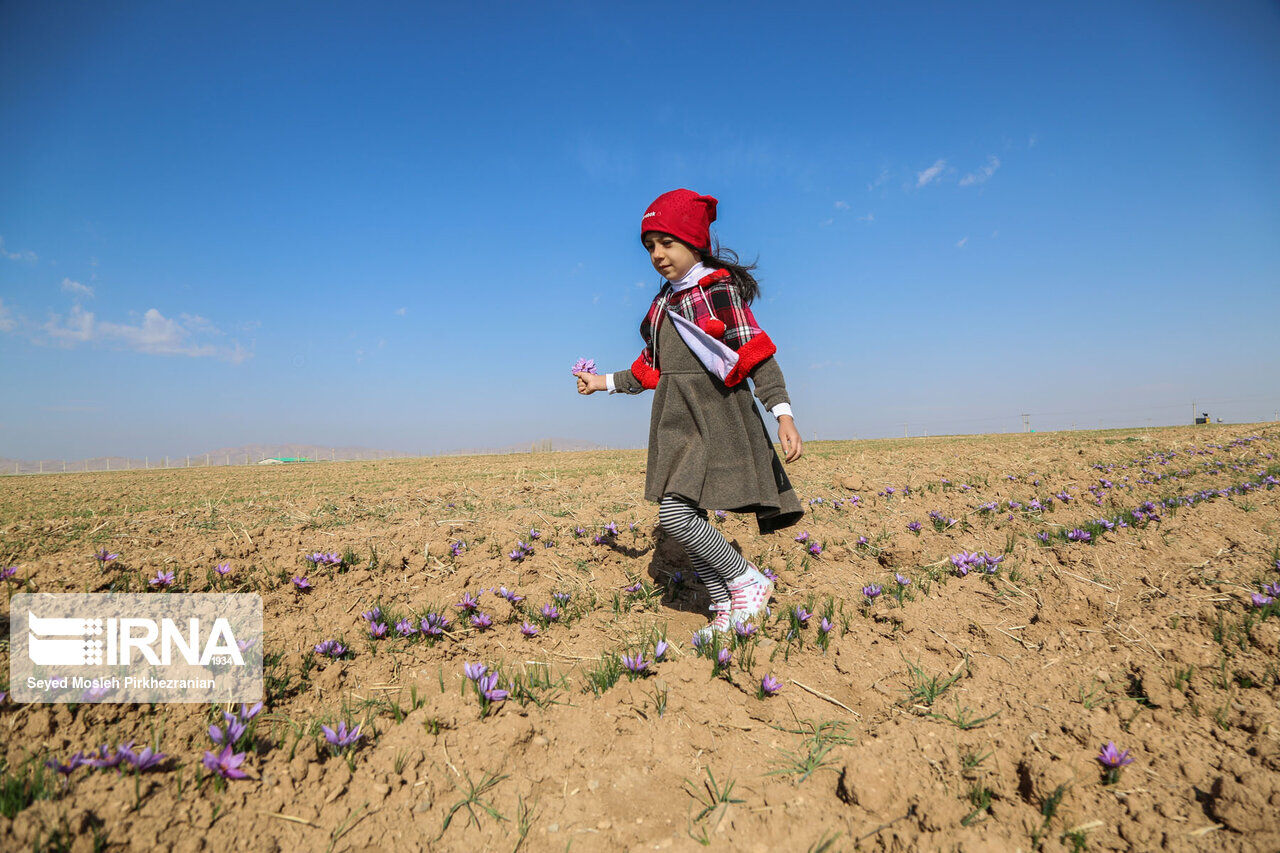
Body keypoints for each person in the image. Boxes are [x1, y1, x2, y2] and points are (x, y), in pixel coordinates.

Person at [574, 188, 804, 637]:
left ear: (694, 242)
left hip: (717, 418)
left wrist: (782, 412)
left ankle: (745, 581)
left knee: (676, 517)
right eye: (649, 247)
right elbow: (649, 369)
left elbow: (756, 353)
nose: (658, 255)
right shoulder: (662, 306)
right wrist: (601, 383)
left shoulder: (718, 291)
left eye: (667, 243)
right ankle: (723, 601)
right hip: (676, 423)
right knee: (679, 514)